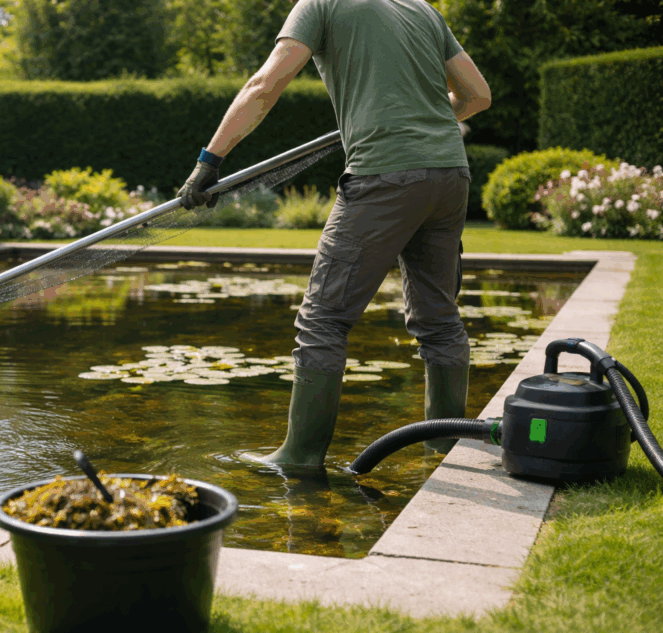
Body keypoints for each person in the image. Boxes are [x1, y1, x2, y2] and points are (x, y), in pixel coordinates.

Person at [177, 0, 492, 466]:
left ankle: (299, 458)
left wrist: (209, 161)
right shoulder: (421, 8)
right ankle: (444, 447)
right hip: (450, 175)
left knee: (323, 319)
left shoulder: (320, 4)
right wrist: (426, 114)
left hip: (383, 174)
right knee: (439, 319)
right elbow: (478, 95)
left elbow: (264, 85)